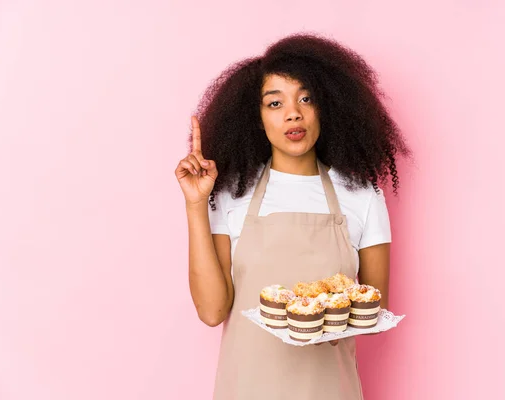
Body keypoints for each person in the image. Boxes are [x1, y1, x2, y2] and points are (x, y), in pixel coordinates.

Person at [175, 33, 410, 400]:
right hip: (246, 388)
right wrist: (195, 204)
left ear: (326, 106)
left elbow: (375, 310)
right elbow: (212, 310)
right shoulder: (231, 196)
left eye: (306, 98)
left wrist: (322, 322)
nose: (293, 113)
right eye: (274, 103)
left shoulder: (362, 196)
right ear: (255, 118)